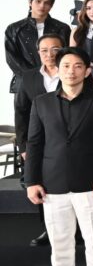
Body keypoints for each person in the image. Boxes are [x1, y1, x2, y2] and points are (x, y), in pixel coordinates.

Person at [24, 47, 93, 266]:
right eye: (65, 66)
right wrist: (31, 181)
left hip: (90, 182)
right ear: (58, 69)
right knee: (60, 243)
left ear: (87, 70)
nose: (71, 71)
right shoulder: (41, 102)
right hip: (52, 184)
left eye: (77, 66)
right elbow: (34, 143)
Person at [14, 33, 63, 247]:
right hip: (37, 141)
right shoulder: (28, 77)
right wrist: (23, 146)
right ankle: (49, 228)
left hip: (67, 140)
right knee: (41, 183)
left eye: (55, 49)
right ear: (38, 52)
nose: (49, 54)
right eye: (44, 50)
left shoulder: (72, 71)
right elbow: (20, 113)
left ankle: (76, 229)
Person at [6, 0, 71, 94]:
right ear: (30, 2)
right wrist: (33, 77)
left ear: (51, 5)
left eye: (47, 3)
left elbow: (66, 54)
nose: (42, 6)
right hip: (25, 82)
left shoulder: (62, 28)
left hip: (56, 81)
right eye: (38, 1)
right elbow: (12, 58)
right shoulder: (14, 29)